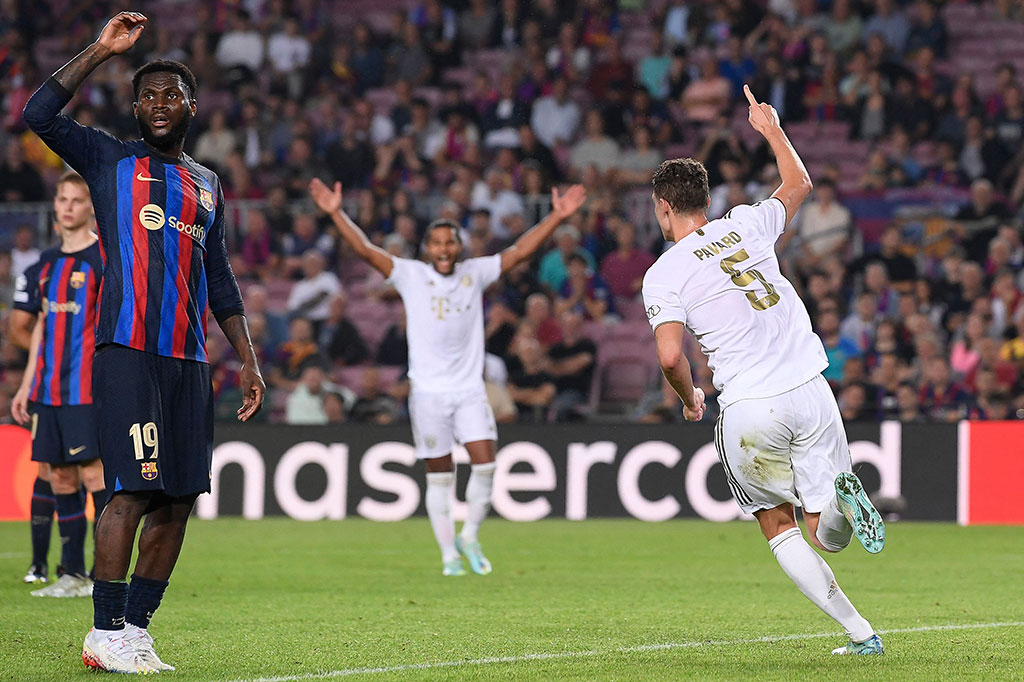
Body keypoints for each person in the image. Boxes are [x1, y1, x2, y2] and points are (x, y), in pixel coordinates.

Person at [23, 12, 266, 674]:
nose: (160, 103)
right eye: (148, 94)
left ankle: (134, 630)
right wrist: (101, 49)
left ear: (192, 105)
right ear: (135, 107)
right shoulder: (110, 158)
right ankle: (103, 630)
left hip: (190, 363)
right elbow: (38, 112)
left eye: (172, 94)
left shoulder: (207, 184)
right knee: (130, 492)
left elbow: (221, 281)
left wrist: (247, 360)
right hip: (128, 351)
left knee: (178, 499)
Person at [641, 85, 886, 656]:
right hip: (812, 386)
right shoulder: (747, 223)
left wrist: (688, 397)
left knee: (778, 526)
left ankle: (861, 634)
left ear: (664, 206)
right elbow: (799, 183)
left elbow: (671, 356)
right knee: (828, 531)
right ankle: (844, 514)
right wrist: (770, 127)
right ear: (706, 196)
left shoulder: (665, 272)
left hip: (752, 403)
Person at [309, 175, 585, 576]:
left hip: (470, 390)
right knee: (440, 477)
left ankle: (469, 536)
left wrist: (556, 218)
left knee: (486, 464)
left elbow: (520, 251)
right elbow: (367, 251)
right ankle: (448, 556)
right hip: (429, 395)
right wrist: (336, 214)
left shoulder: (475, 272)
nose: (444, 249)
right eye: (437, 243)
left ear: (459, 247)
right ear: (427, 249)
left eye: (450, 242)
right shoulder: (410, 275)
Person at [10, 172, 106, 595]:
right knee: (61, 479)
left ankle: (105, 571)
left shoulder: (105, 259)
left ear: (90, 208)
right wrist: (25, 387)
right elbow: (40, 331)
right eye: (62, 199)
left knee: (94, 477)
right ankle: (72, 574)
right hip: (48, 392)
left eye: (77, 200)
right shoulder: (44, 265)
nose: (68, 207)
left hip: (86, 390)